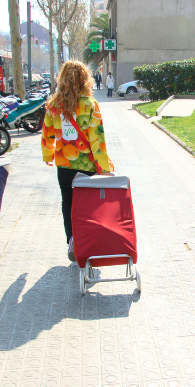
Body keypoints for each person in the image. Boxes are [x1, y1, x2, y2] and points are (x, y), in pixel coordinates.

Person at [41, 60, 112, 263]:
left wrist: (48, 155)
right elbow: (97, 140)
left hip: (64, 165)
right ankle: (88, 242)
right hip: (87, 166)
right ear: (85, 80)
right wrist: (104, 168)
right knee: (88, 204)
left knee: (68, 202)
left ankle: (72, 240)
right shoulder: (90, 105)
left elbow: (47, 134)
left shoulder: (53, 105)